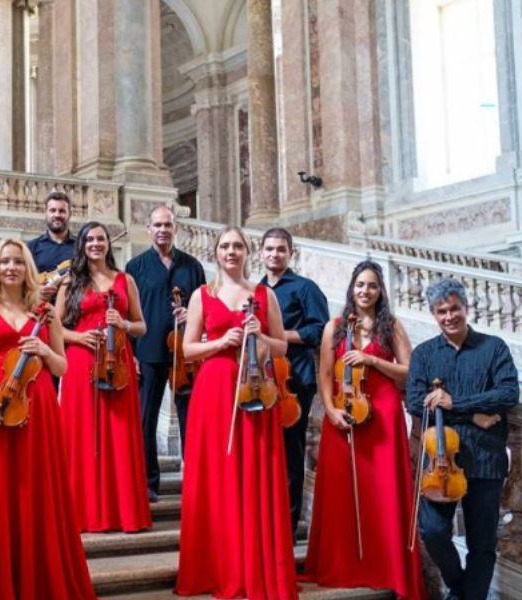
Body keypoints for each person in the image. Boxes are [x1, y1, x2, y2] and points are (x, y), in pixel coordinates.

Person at [0, 239, 98, 600]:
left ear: (28, 267)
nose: (11, 268)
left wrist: (46, 350)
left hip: (38, 411)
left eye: (18, 262)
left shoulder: (44, 311)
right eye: (4, 261)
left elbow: (63, 366)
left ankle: (40, 581)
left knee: (35, 495)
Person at [175, 226, 298, 600]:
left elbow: (282, 349)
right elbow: (187, 350)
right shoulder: (202, 295)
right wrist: (219, 343)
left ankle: (255, 566)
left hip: (254, 390)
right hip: (212, 395)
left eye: (238, 246)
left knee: (252, 475)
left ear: (249, 252)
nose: (231, 251)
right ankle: (219, 565)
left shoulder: (265, 295)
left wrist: (258, 335)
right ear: (216, 253)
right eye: (225, 246)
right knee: (217, 479)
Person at [302, 260, 428, 600]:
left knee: (384, 491)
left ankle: (388, 567)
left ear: (380, 290)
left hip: (384, 415)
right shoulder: (336, 327)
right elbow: (325, 375)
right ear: (351, 288)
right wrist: (330, 411)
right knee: (344, 493)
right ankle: (346, 566)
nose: (365, 291)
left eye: (372, 285)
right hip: (343, 415)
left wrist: (371, 360)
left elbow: (408, 372)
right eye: (360, 285)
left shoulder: (392, 327)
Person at [407, 278, 519, 600]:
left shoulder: (493, 347)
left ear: (466, 308)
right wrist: (473, 416)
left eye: (454, 308)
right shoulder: (424, 354)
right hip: (439, 465)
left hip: (485, 459)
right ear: (433, 314)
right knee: (433, 532)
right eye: (441, 311)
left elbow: (507, 393)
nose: (449, 316)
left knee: (482, 544)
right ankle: (460, 589)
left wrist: (455, 404)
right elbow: (416, 401)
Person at [56, 221, 152, 532]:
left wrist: (123, 325)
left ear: (108, 244)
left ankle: (122, 512)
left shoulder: (126, 280)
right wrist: (78, 337)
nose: (95, 244)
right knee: (82, 435)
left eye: (101, 239)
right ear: (82, 245)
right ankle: (82, 513)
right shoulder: (71, 281)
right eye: (89, 239)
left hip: (117, 363)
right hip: (80, 361)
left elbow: (142, 326)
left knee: (119, 434)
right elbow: (53, 327)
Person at [125, 205, 205, 503]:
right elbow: (129, 312)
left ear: (176, 228)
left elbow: (206, 308)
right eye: (157, 225)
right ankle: (149, 481)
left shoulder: (193, 266)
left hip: (185, 355)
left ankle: (195, 481)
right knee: (145, 419)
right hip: (148, 352)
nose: (163, 230)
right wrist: (131, 354)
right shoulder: (135, 267)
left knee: (191, 419)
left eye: (168, 225)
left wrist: (191, 314)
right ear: (148, 229)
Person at [259, 227, 329, 535]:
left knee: (290, 454)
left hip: (293, 380)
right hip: (259, 380)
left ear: (291, 253)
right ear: (260, 252)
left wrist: (276, 337)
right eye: (270, 249)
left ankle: (286, 526)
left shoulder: (305, 288)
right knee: (262, 453)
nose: (275, 254)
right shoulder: (255, 290)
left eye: (280, 249)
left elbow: (319, 331)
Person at [27, 191, 75, 301]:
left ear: (70, 214)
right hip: (41, 309)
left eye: (62, 211)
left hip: (74, 310)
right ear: (46, 213)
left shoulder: (81, 246)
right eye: (52, 210)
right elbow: (21, 281)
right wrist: (35, 290)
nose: (57, 215)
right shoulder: (32, 247)